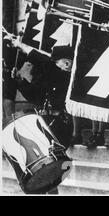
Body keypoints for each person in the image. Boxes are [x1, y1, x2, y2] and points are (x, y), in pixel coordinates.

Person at [6, 38, 75, 195]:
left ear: (67, 63)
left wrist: (20, 46)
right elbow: (36, 96)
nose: (51, 65)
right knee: (44, 171)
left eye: (56, 62)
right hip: (45, 123)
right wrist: (20, 82)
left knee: (50, 169)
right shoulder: (52, 77)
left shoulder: (66, 76)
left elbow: (46, 63)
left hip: (59, 125)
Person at [81, 0, 109, 149]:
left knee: (100, 96)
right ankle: (94, 132)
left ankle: (100, 133)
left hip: (105, 57)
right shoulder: (91, 12)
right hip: (91, 57)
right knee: (92, 97)